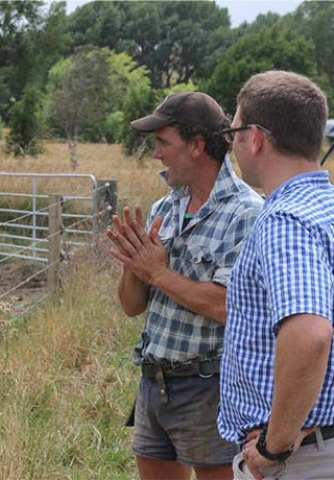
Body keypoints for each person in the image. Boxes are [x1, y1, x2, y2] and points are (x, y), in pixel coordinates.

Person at [107, 91, 263, 480]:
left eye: (163, 142)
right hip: (154, 380)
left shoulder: (246, 214)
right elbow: (131, 306)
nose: (156, 154)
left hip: (207, 386)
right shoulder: (165, 207)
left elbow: (228, 306)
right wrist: (134, 263)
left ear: (196, 146)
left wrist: (158, 272)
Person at [218, 70, 334, 479]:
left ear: (255, 137)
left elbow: (310, 333)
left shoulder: (287, 220)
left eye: (232, 132)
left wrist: (274, 445)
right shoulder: (326, 207)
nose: (231, 144)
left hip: (302, 460)